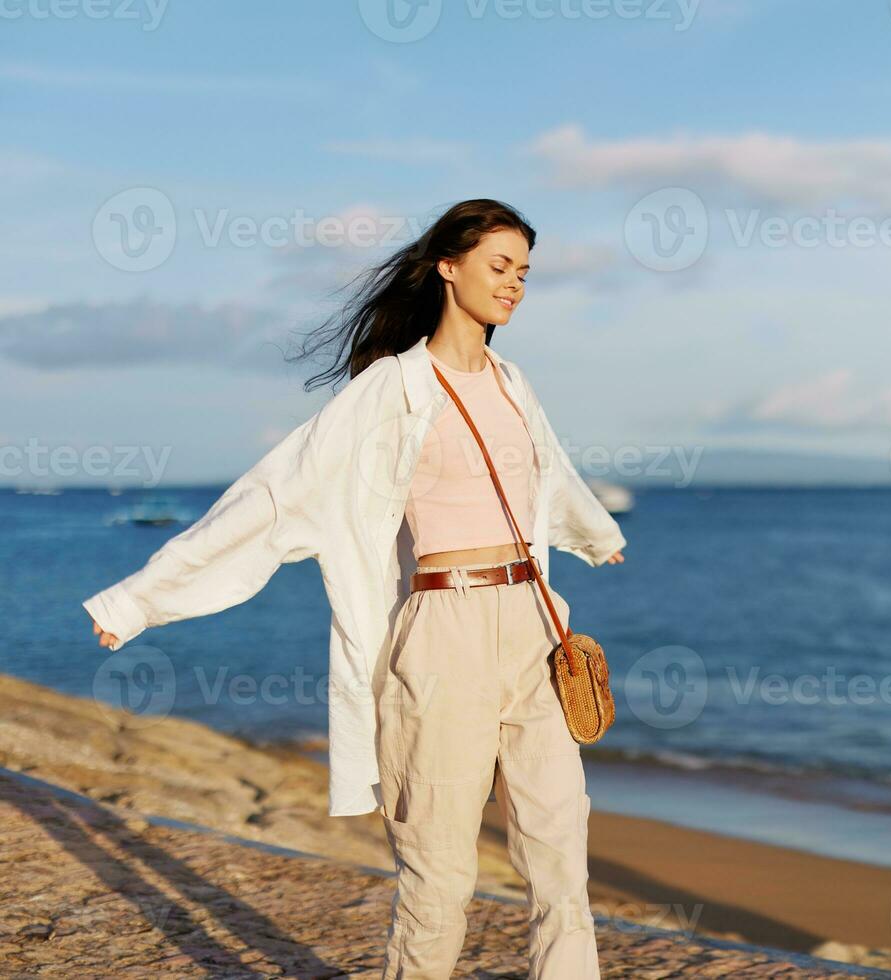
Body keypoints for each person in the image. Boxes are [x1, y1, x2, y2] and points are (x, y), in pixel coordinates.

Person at [82, 199, 624, 979]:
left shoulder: (514, 383)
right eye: (499, 267)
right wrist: (141, 598)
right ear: (448, 265)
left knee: (561, 861)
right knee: (440, 875)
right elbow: (276, 494)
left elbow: (553, 478)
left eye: (525, 273)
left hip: (536, 631)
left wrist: (596, 535)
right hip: (443, 632)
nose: (515, 286)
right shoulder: (389, 391)